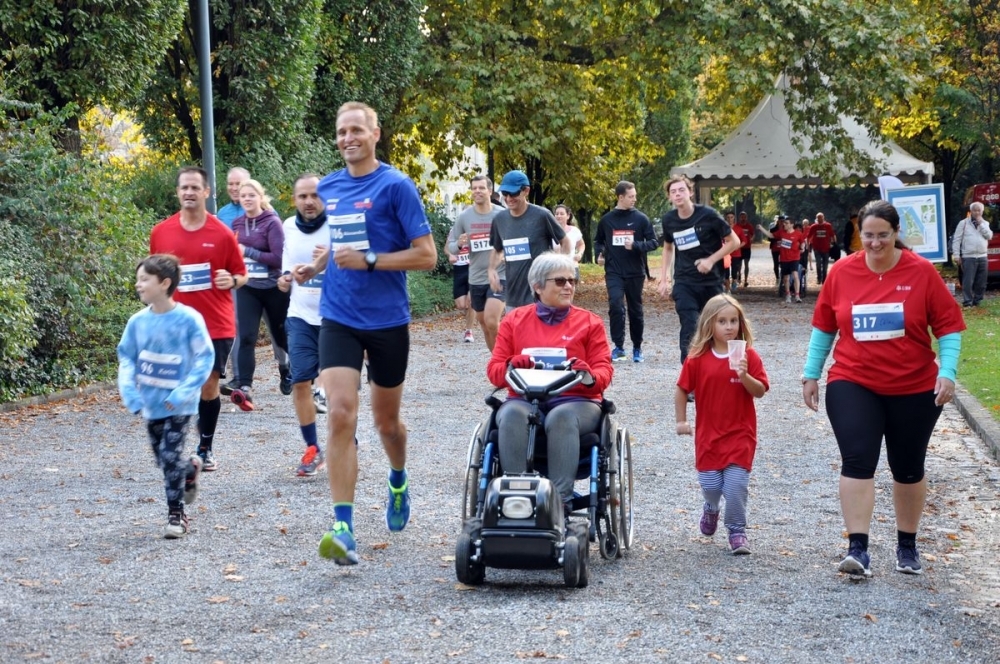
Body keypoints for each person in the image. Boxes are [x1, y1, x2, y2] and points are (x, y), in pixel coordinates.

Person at [295, 101, 437, 566]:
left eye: (356, 129)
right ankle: (343, 527)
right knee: (339, 413)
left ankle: (398, 478)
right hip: (338, 315)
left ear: (376, 133)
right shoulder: (329, 187)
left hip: (387, 320)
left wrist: (371, 260)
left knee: (386, 425)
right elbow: (340, 240)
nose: (347, 137)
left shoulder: (396, 187)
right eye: (341, 131)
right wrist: (315, 265)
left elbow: (426, 256)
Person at [802, 199, 965, 578]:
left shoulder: (922, 273)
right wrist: (811, 373)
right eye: (867, 236)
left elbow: (948, 328)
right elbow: (825, 326)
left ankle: (906, 545)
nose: (874, 244)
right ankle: (858, 549)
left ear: (896, 235)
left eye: (882, 236)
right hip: (854, 381)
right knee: (858, 459)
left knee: (908, 467)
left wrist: (950, 372)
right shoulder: (843, 271)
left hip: (914, 385)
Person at [487, 252, 613, 517]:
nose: (568, 286)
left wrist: (589, 374)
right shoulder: (514, 321)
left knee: (561, 417)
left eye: (572, 280)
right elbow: (495, 371)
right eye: (560, 281)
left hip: (577, 401)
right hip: (525, 398)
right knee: (509, 414)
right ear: (538, 286)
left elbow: (604, 370)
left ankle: (560, 500)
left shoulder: (590, 323)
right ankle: (516, 496)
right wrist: (511, 364)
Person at [149, 166, 247, 472]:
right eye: (184, 188)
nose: (189, 192)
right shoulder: (161, 232)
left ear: (206, 192)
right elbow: (153, 277)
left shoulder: (221, 233)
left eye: (195, 188)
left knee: (208, 386)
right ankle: (175, 443)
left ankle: (205, 448)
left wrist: (230, 280)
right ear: (178, 193)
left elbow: (242, 275)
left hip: (215, 324)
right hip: (174, 324)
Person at [118, 255, 215, 538]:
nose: (138, 284)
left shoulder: (188, 319)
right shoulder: (137, 322)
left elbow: (204, 357)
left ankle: (177, 515)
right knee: (164, 460)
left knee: (169, 455)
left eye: (144, 279)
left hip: (180, 404)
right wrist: (130, 394)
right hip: (150, 404)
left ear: (165, 283)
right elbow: (127, 359)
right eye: (138, 279)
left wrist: (184, 390)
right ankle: (190, 468)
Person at [675, 294, 768, 554]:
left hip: (741, 434)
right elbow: (682, 389)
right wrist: (681, 420)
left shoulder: (748, 355)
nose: (729, 327)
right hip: (708, 436)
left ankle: (737, 531)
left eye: (734, 321)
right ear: (709, 325)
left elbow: (760, 391)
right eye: (722, 321)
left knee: (736, 485)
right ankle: (711, 507)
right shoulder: (697, 358)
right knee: (712, 485)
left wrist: (744, 374)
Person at [217, 167, 290, 398]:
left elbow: (278, 258)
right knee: (246, 335)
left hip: (273, 287)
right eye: (243, 195)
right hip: (247, 286)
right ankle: (244, 385)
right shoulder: (236, 222)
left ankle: (298, 370)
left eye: (251, 195)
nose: (246, 198)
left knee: (281, 336)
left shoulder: (272, 222)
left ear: (261, 197)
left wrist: (248, 250)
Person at [657, 175, 742, 366]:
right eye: (673, 192)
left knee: (720, 327)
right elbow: (668, 247)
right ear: (670, 198)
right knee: (690, 325)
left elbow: (734, 242)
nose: (677, 194)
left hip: (711, 282)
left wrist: (711, 260)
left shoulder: (708, 215)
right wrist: (663, 279)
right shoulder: (669, 220)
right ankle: (690, 378)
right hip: (685, 282)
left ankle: (729, 369)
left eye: (681, 190)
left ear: (690, 192)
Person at [279, 173, 330, 477]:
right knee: (300, 382)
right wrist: (284, 280)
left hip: (336, 317)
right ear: (295, 199)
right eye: (303, 196)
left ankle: (344, 434)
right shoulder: (287, 227)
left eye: (315, 195)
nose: (309, 202)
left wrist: (329, 260)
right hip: (300, 315)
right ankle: (312, 447)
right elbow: (286, 266)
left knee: (336, 386)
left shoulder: (337, 225)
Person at [593, 181, 658, 363]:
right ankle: (618, 346)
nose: (634, 199)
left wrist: (636, 245)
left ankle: (637, 347)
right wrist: (599, 254)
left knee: (635, 310)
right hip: (613, 271)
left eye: (635, 196)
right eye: (631, 196)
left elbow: (653, 242)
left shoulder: (641, 219)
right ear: (620, 197)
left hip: (635, 272)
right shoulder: (607, 220)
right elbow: (598, 241)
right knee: (615, 305)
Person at [488, 170, 569, 311]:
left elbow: (565, 241)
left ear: (526, 191)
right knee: (516, 333)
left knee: (541, 333)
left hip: (540, 294)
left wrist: (562, 269)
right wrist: (491, 270)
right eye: (505, 194)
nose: (508, 198)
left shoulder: (541, 215)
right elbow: (496, 250)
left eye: (513, 194)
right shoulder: (500, 220)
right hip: (513, 295)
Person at [448, 175, 506, 350]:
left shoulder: (502, 214)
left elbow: (512, 240)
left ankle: (504, 358)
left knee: (491, 320)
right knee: (483, 323)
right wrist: (459, 243)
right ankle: (496, 360)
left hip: (499, 274)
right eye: (474, 188)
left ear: (490, 191)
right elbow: (451, 247)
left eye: (481, 188)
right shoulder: (464, 217)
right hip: (476, 277)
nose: (477, 191)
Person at [952, 202, 993, 307]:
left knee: (981, 282)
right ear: (971, 211)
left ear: (982, 212)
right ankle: (967, 302)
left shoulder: (985, 223)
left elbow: (989, 236)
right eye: (975, 210)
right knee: (968, 282)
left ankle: (977, 300)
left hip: (982, 256)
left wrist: (981, 224)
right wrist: (956, 255)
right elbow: (957, 239)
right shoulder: (963, 223)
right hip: (968, 256)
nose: (977, 212)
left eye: (979, 210)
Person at [757, 217, 805, 303]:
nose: (784, 224)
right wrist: (761, 228)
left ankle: (797, 296)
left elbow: (802, 242)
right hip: (784, 258)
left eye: (786, 223)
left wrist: (803, 247)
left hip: (794, 258)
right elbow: (771, 235)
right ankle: (788, 295)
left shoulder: (798, 234)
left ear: (791, 225)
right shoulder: (781, 232)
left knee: (795, 275)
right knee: (786, 278)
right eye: (784, 223)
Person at [444, 225, 476, 343]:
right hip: (459, 268)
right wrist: (450, 254)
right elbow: (446, 248)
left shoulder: (478, 229)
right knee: (461, 305)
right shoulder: (454, 230)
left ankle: (469, 330)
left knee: (471, 301)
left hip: (474, 267)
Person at [553, 204, 585, 279]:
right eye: (556, 214)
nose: (559, 216)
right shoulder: (549, 231)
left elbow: (581, 244)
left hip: (572, 266)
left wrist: (580, 254)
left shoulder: (574, 231)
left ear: (568, 216)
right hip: (555, 268)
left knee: (570, 289)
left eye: (561, 214)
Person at [807, 212, 836, 286]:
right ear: (816, 218)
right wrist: (808, 245)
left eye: (821, 217)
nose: (820, 219)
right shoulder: (813, 226)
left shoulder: (828, 226)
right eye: (818, 217)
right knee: (818, 264)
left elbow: (832, 235)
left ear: (823, 217)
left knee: (825, 265)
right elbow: (808, 236)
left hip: (826, 248)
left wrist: (834, 244)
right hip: (817, 248)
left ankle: (824, 280)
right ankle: (819, 278)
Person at [724, 212, 743, 293]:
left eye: (731, 217)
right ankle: (728, 289)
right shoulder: (723, 228)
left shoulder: (738, 228)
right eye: (728, 217)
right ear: (726, 218)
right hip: (726, 254)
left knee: (734, 271)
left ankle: (734, 281)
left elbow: (744, 241)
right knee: (726, 272)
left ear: (734, 218)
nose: (730, 219)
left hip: (736, 253)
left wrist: (737, 247)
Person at [734, 211, 755, 287]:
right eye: (742, 217)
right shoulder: (737, 226)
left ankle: (746, 280)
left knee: (746, 264)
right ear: (739, 218)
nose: (743, 218)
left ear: (747, 218)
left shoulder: (749, 226)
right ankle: (739, 274)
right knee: (738, 264)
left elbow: (753, 234)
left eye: (744, 217)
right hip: (739, 247)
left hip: (747, 247)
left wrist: (752, 239)